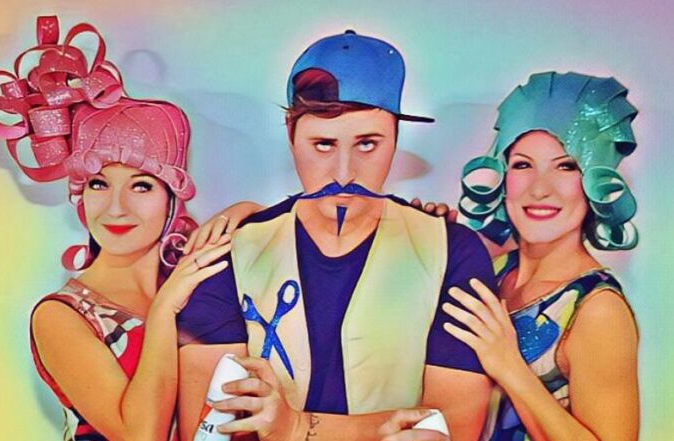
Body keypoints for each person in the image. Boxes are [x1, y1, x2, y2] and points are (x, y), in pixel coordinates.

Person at [177, 30, 496, 441]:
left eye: (367, 144)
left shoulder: (452, 251)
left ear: (396, 139)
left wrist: (295, 425)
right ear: (291, 136)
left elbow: (449, 430)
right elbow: (208, 430)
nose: (344, 174)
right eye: (324, 144)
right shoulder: (232, 249)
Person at [0, 16, 231, 440]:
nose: (116, 208)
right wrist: (164, 310)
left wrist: (241, 212)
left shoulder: (197, 283)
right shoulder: (60, 316)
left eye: (141, 185)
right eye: (99, 184)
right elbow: (141, 435)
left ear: (172, 197)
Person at [380, 72, 640, 441]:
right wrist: (431, 242)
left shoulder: (598, 310)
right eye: (522, 164)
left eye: (566, 166)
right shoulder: (495, 270)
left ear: (595, 180)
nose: (540, 189)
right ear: (502, 175)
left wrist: (508, 365)